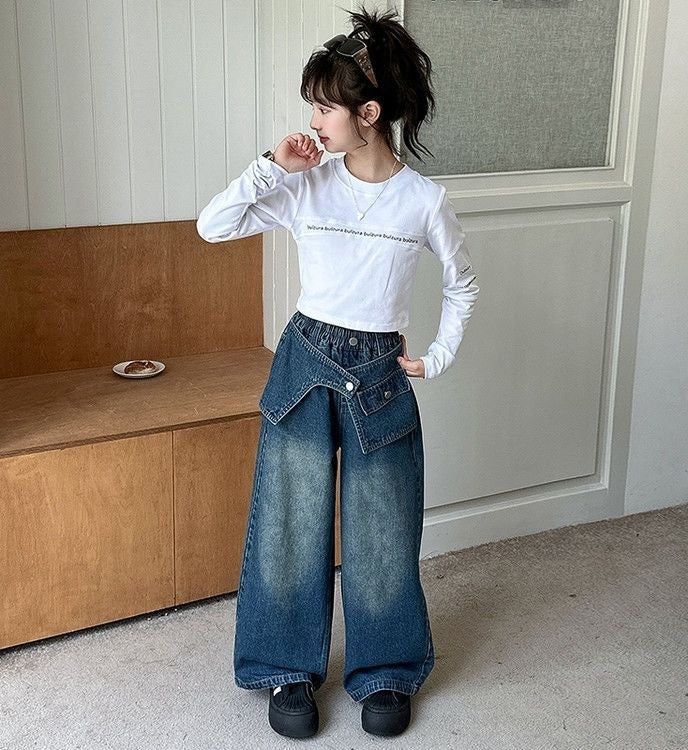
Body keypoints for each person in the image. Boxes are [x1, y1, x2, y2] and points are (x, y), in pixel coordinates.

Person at [196, 4, 479, 739]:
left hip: (380, 372)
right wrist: (272, 165)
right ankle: (285, 668)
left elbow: (463, 284)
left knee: (383, 526)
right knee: (289, 521)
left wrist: (437, 356)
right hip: (305, 367)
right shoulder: (305, 185)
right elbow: (212, 225)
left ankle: (387, 671)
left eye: (325, 107)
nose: (314, 121)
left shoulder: (423, 201)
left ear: (369, 113)